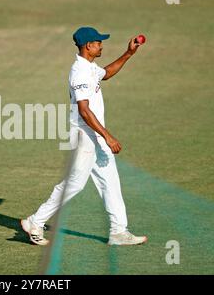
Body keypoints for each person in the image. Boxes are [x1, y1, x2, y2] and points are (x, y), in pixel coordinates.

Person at [21, 27, 148, 246]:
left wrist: (128, 54)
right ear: (88, 46)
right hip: (85, 136)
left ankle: (118, 231)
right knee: (75, 183)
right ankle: (36, 221)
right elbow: (84, 110)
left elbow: (105, 74)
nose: (101, 45)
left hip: (95, 136)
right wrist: (107, 136)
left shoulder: (90, 68)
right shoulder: (79, 71)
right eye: (98, 42)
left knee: (110, 180)